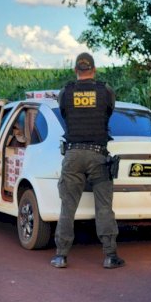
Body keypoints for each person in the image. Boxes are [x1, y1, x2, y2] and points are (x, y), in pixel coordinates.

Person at [51, 52, 125, 269]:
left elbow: (64, 113)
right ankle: (110, 256)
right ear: (94, 69)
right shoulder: (105, 91)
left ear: (76, 70)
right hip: (98, 155)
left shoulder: (66, 92)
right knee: (104, 207)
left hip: (73, 155)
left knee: (68, 206)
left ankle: (61, 256)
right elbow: (108, 112)